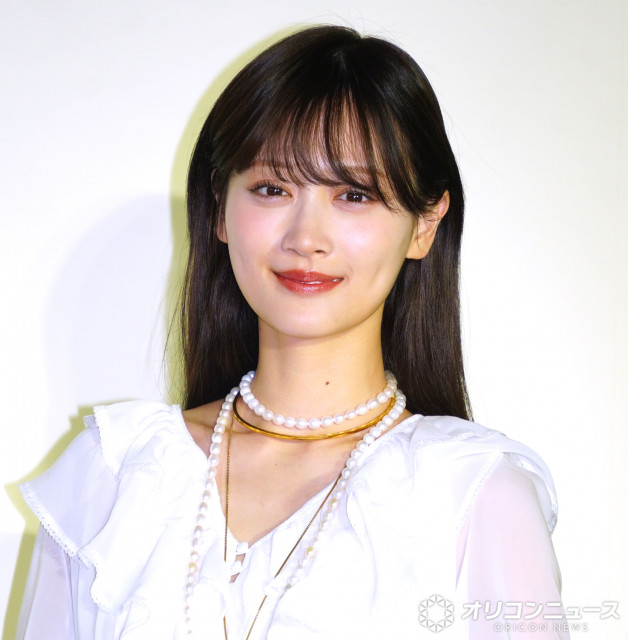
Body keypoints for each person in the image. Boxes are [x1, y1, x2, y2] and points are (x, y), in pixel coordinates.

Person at [17, 25, 567, 639]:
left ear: (424, 224)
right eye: (272, 189)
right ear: (220, 209)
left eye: (354, 194)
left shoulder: (474, 493)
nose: (306, 237)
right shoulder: (112, 475)